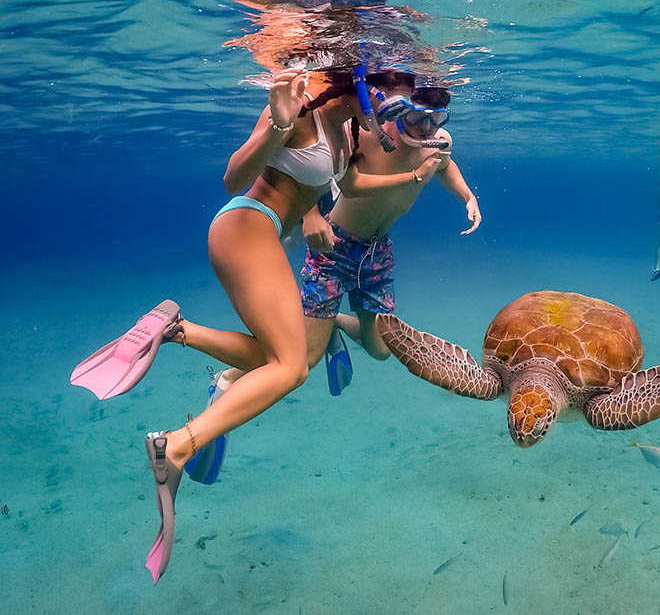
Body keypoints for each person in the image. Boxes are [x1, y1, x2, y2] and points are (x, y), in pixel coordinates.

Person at [69, 66, 417, 583]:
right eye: (393, 101)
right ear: (364, 87)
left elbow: (348, 184)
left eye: (403, 108)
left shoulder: (347, 133)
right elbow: (234, 176)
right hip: (245, 224)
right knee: (293, 368)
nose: (395, 117)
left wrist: (413, 177)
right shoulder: (300, 113)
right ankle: (177, 445)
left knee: (279, 358)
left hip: (264, 230)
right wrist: (275, 128)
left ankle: (175, 330)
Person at [299, 85, 481, 385]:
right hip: (334, 246)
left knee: (382, 350)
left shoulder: (438, 142)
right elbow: (315, 165)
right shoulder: (367, 135)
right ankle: (232, 377)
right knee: (308, 357)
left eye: (436, 119)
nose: (425, 128)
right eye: (416, 117)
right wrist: (310, 214)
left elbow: (445, 165)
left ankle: (334, 324)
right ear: (398, 109)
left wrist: (467, 197)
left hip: (377, 253)